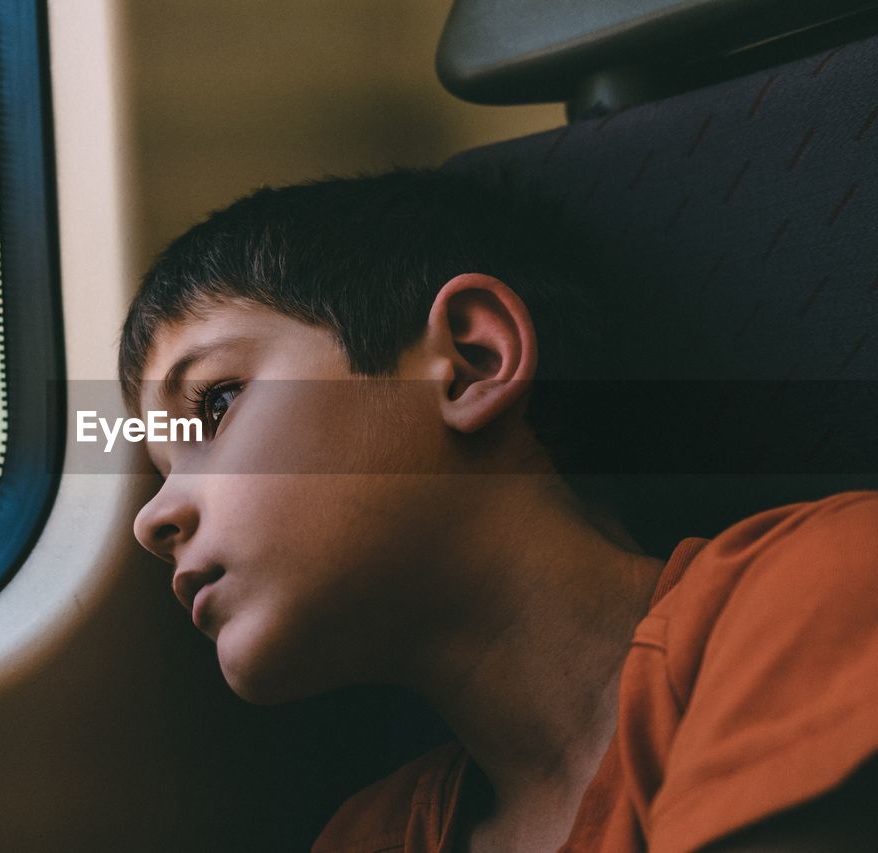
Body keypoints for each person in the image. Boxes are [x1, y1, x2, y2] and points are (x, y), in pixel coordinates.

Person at [116, 170, 878, 852]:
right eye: (159, 466)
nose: (151, 519)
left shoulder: (815, 592)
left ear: (472, 363)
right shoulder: (369, 834)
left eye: (214, 404)